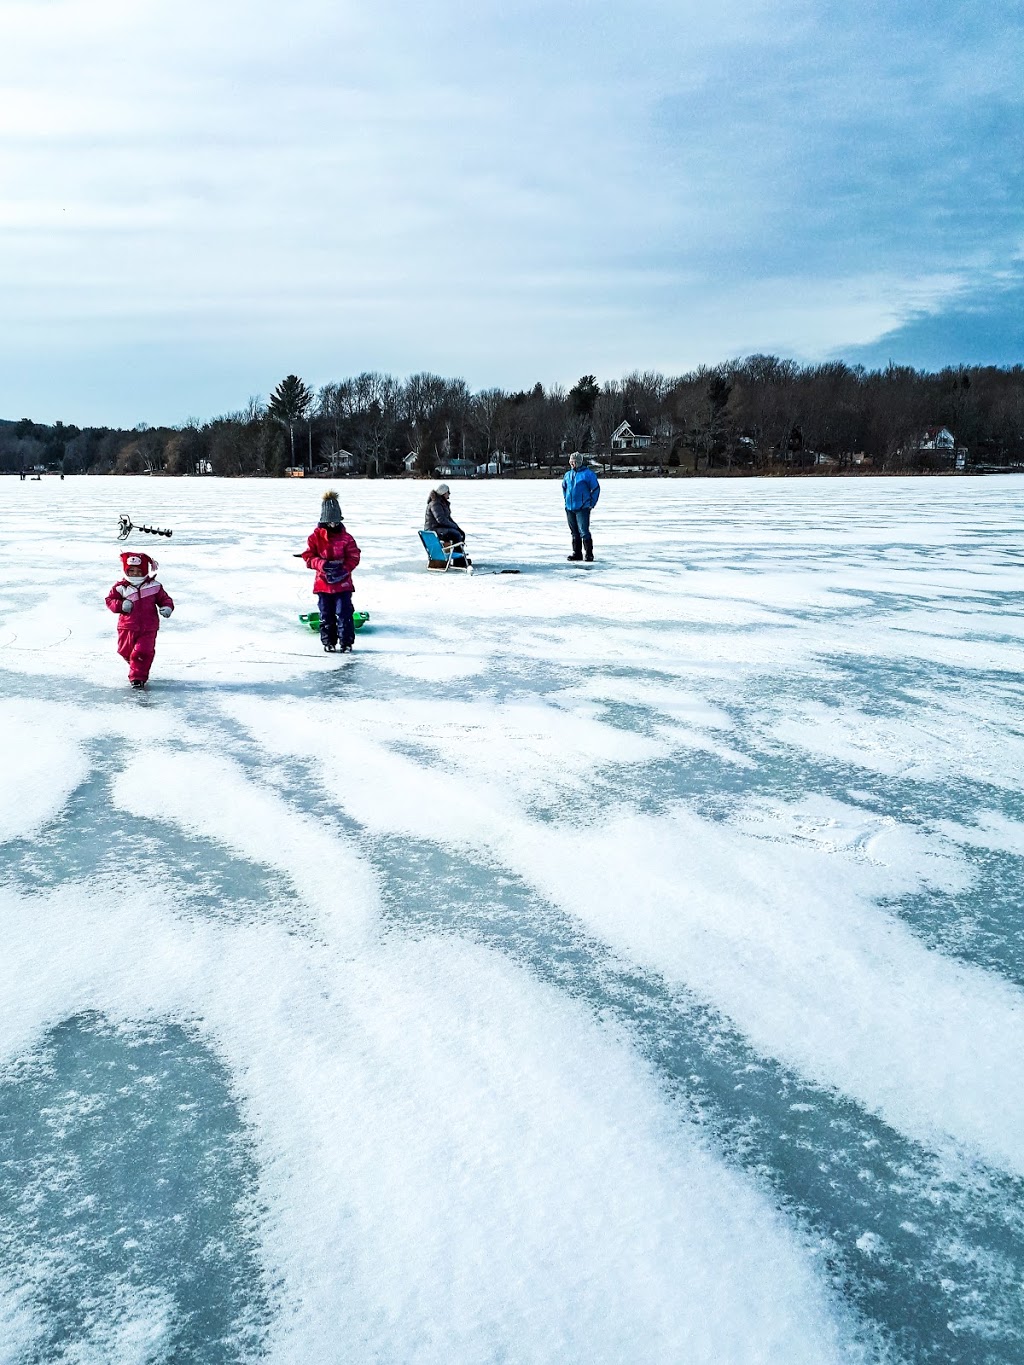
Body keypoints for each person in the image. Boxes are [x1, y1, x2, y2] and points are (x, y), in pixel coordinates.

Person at [301, 491, 361, 653]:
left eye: (336, 522)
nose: (333, 525)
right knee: (326, 614)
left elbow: (354, 556)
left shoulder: (347, 538)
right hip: (323, 584)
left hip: (343, 584)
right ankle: (328, 642)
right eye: (330, 522)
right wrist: (322, 564)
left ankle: (346, 643)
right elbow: (308, 557)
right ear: (324, 520)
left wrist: (344, 569)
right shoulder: (315, 538)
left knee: (345, 614)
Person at [105, 550, 174, 689]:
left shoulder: (154, 586)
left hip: (149, 627)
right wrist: (121, 605)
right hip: (127, 626)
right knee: (125, 651)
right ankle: (136, 666)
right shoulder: (120, 587)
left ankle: (138, 678)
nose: (135, 574)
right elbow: (110, 600)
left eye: (139, 571)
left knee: (142, 652)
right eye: (131, 570)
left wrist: (167, 607)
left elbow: (165, 599)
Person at [561, 452, 600, 561]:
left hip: (583, 508)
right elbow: (564, 488)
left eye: (573, 461)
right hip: (569, 508)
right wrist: (566, 500)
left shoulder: (588, 474)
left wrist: (591, 503)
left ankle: (589, 553)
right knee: (574, 532)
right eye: (570, 461)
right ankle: (577, 553)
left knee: (583, 530)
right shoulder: (568, 475)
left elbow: (596, 489)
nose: (571, 463)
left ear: (578, 462)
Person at [424, 483, 470, 565]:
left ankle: (459, 558)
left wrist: (457, 527)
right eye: (448, 492)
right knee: (455, 534)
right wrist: (454, 528)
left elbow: (448, 518)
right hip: (433, 529)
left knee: (459, 533)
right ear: (443, 493)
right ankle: (459, 561)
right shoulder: (435, 504)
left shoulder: (442, 503)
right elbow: (441, 520)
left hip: (438, 528)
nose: (449, 494)